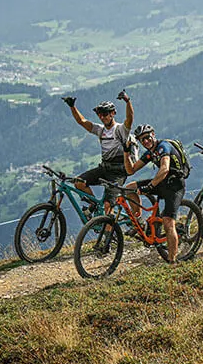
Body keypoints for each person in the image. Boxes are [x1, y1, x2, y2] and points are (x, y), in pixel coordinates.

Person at [122, 123, 184, 263]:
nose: (145, 141)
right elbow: (131, 170)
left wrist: (150, 186)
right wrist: (126, 152)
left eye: (147, 137)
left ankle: (172, 261)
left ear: (153, 135)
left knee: (168, 222)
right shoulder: (150, 152)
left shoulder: (163, 147)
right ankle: (139, 222)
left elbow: (165, 169)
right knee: (129, 188)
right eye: (142, 140)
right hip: (161, 182)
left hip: (175, 185)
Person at [62, 90, 135, 207]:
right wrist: (72, 107)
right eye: (99, 114)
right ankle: (95, 207)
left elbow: (129, 119)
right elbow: (82, 121)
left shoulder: (120, 129)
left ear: (113, 113)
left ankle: (107, 216)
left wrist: (127, 101)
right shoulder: (100, 130)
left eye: (105, 114)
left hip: (118, 172)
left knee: (108, 205)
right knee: (79, 183)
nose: (102, 117)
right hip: (104, 168)